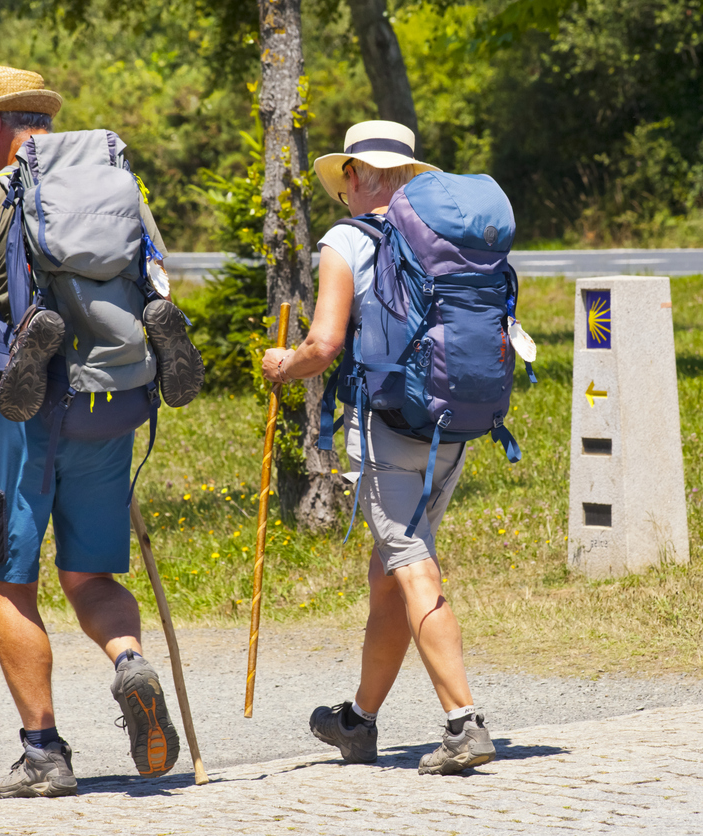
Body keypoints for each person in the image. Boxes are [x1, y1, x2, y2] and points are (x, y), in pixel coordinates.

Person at [0, 65, 180, 799]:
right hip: (110, 402)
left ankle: (44, 755)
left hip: (21, 410)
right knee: (91, 575)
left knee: (10, 581)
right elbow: (160, 288)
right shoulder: (120, 190)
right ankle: (129, 660)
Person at [261, 120, 496, 775]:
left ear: (357, 176)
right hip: (450, 423)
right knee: (389, 572)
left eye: (347, 181)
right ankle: (358, 725)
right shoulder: (442, 234)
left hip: (388, 426)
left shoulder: (346, 239)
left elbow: (325, 344)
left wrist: (284, 366)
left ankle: (463, 723)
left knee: (411, 565)